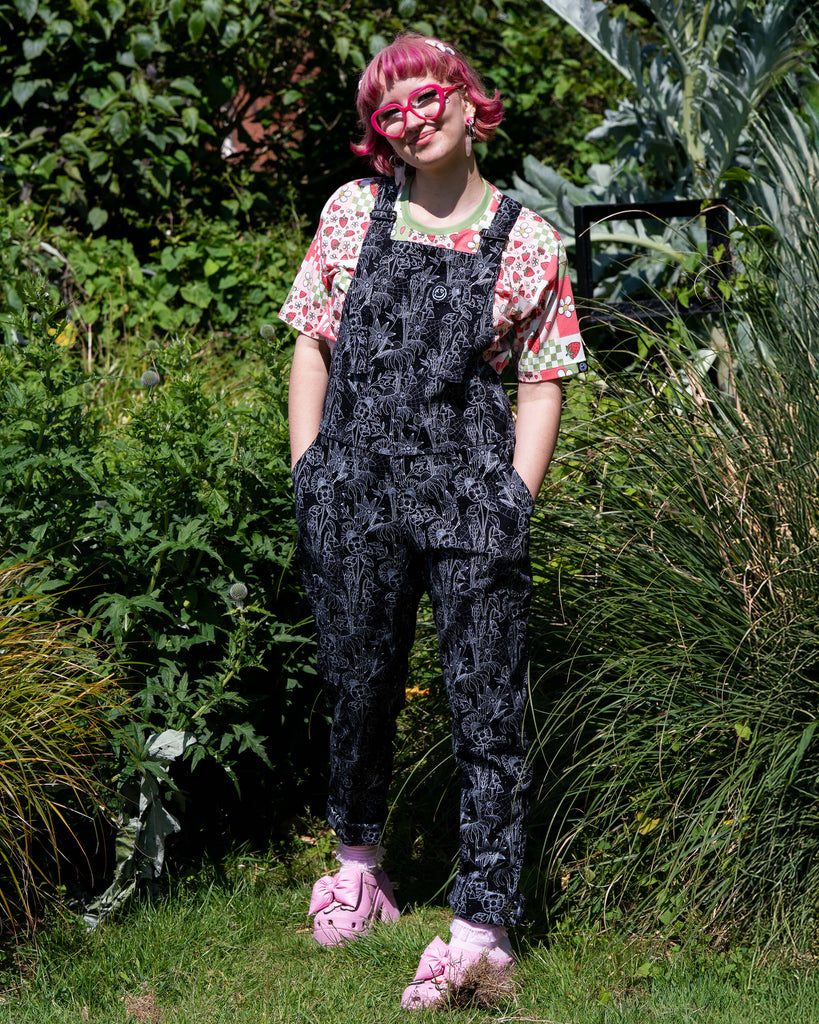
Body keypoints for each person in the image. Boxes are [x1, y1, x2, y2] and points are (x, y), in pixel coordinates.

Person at [279, 33, 586, 1009]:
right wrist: (310, 471)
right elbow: (311, 343)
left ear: (466, 99)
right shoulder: (353, 213)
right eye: (391, 110)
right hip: (353, 491)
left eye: (425, 97)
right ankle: (359, 870)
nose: (412, 118)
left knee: (485, 703)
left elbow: (544, 381)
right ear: (382, 131)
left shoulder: (526, 238)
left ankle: (482, 924)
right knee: (359, 681)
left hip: (469, 498)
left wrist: (515, 497)